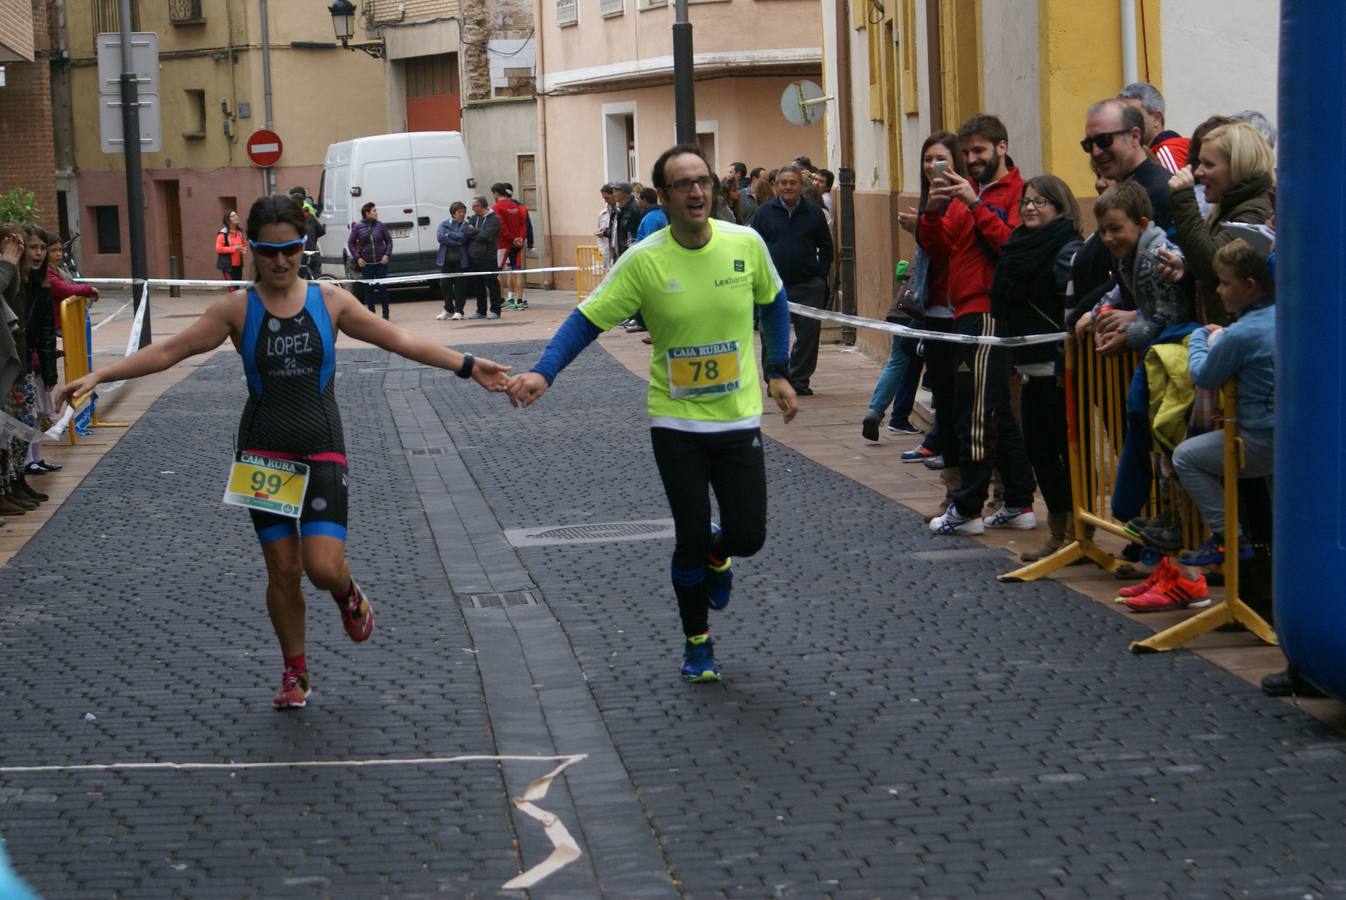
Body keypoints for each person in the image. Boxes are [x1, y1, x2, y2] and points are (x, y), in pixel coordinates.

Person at [55, 195, 512, 709]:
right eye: (268, 252)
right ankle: (295, 671)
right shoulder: (235, 309)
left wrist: (469, 365)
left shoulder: (331, 301)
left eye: (290, 249)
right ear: (251, 249)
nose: (280, 261)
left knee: (322, 566)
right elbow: (169, 350)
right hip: (262, 451)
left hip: (321, 444)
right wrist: (98, 374)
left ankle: (346, 593)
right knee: (282, 571)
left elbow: (398, 338)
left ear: (304, 246)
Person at [505, 144, 797, 684]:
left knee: (747, 536)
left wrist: (777, 368)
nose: (696, 192)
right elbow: (586, 320)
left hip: (737, 420)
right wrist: (545, 371)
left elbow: (773, 300)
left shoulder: (745, 243)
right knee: (687, 536)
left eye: (703, 181)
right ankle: (698, 643)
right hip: (676, 423)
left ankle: (719, 550)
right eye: (683, 184)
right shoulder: (643, 259)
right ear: (662, 198)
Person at [1123, 240, 1272, 613]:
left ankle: (1227, 535)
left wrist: (1200, 339)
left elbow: (1203, 373)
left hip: (1257, 439)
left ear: (1250, 286)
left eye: (1223, 283)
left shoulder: (1241, 333)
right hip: (1289, 435)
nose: (1218, 291)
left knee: (1187, 456)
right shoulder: (1282, 317)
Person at [920, 114, 1034, 536]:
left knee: (975, 411)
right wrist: (932, 213)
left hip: (989, 311)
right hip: (963, 309)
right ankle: (1021, 501)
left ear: (1001, 148)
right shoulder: (969, 193)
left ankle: (968, 509)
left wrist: (973, 202)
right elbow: (941, 248)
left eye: (979, 151)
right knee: (998, 411)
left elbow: (1011, 245)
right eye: (967, 153)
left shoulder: (1018, 193)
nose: (972, 159)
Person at [990, 176, 1083, 561]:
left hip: (1059, 370)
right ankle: (1059, 532)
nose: (1029, 207)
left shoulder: (1066, 248)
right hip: (1028, 366)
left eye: (1040, 201)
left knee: (1063, 452)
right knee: (1039, 452)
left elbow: (1071, 307)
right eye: (1026, 201)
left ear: (1060, 207)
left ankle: (1078, 533)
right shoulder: (1017, 246)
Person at [868, 131, 962, 449]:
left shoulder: (962, 200)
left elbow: (952, 249)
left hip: (955, 308)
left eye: (940, 159)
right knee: (911, 361)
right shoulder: (929, 200)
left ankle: (889, 415)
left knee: (910, 362)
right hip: (925, 304)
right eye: (927, 159)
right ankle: (938, 447)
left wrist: (923, 226)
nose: (932, 166)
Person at [1167, 122, 1275, 325]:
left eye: (1209, 164)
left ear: (1237, 167)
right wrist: (1186, 266)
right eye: (1199, 163)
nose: (1198, 172)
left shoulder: (1256, 211)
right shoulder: (1229, 206)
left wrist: (1183, 198)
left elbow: (1211, 264)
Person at [750, 164, 834, 396]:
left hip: (808, 284)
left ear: (800, 186)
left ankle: (799, 379)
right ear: (776, 186)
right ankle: (775, 381)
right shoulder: (764, 213)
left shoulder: (814, 213)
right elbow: (753, 246)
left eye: (792, 182)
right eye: (783, 183)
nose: (788, 186)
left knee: (808, 336)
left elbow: (826, 247)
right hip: (773, 286)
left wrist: (820, 275)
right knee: (771, 335)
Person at [1081, 98, 1174, 230]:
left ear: (1135, 136)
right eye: (1088, 144)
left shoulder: (1162, 192)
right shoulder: (1126, 188)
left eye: (1104, 140)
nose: (1095, 152)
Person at [1117, 82, 1190, 173]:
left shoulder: (1165, 154)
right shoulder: (1150, 154)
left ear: (1156, 119)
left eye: (1133, 115)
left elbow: (1177, 187)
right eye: (1120, 116)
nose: (1124, 122)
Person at [347, 202, 393, 320]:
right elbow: (350, 243)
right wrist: (358, 257)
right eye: (374, 211)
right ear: (367, 213)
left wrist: (386, 255)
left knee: (383, 288)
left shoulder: (380, 226)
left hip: (380, 263)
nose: (376, 213)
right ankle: (371, 315)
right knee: (369, 289)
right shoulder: (358, 227)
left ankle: (385, 314)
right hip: (366, 264)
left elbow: (389, 241)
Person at [492, 183, 529, 310]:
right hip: (517, 243)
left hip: (503, 243)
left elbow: (501, 226)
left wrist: (512, 239)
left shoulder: (496, 207)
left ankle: (502, 300)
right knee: (517, 271)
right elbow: (522, 224)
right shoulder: (515, 206)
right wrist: (520, 239)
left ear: (496, 193)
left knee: (497, 271)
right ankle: (519, 300)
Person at [465, 195, 503, 318]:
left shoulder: (494, 219)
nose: (472, 209)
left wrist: (474, 232)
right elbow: (466, 232)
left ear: (480, 206)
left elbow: (486, 236)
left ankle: (495, 310)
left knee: (492, 284)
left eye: (474, 206)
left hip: (488, 256)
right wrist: (477, 232)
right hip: (474, 256)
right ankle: (481, 310)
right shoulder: (473, 218)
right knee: (477, 285)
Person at [435, 201, 472, 320]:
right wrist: (455, 242)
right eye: (459, 212)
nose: (462, 214)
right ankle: (448, 309)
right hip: (446, 260)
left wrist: (449, 235)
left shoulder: (466, 225)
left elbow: (464, 237)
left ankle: (459, 310)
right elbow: (440, 237)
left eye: (463, 212)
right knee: (445, 285)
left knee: (460, 286)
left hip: (460, 260)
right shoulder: (444, 224)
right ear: (453, 213)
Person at [608, 182, 640, 260]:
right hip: (619, 254)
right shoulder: (619, 209)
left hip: (630, 254)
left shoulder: (635, 208)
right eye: (613, 191)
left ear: (625, 193)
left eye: (616, 191)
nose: (614, 194)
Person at [215, 211, 247, 283]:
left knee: (237, 287)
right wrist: (234, 248)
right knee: (232, 288)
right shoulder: (223, 233)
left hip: (238, 265)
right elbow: (218, 249)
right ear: (227, 220)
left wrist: (243, 250)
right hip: (227, 266)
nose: (236, 217)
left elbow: (244, 245)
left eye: (236, 215)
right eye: (233, 216)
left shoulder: (240, 232)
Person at [595, 184, 616, 266]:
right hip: (607, 256)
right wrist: (602, 251)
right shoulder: (603, 214)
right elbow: (598, 234)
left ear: (614, 195)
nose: (605, 201)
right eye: (604, 198)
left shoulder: (621, 212)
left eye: (607, 198)